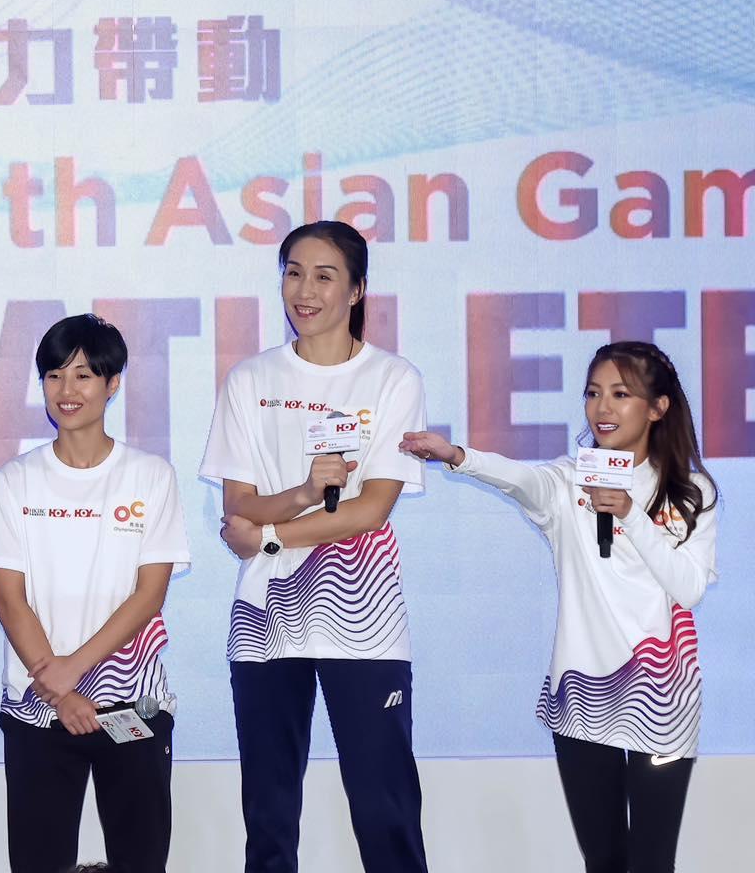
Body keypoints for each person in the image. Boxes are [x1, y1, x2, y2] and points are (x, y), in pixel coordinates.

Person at [400, 341, 718, 873]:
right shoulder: (569, 480)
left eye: (620, 394)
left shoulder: (691, 491)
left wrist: (632, 514)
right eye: (593, 394)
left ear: (658, 407)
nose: (602, 408)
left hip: (663, 700)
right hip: (582, 698)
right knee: (604, 858)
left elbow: (688, 589)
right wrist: (457, 456)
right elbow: (520, 477)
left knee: (652, 861)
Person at [203, 220, 429, 873]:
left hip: (364, 620)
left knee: (385, 809)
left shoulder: (392, 379)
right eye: (294, 274)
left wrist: (270, 535)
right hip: (265, 621)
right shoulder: (250, 380)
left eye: (324, 276)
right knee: (269, 816)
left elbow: (371, 508)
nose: (305, 291)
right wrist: (303, 492)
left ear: (356, 290)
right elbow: (237, 508)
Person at [0, 313, 190, 873]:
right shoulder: (14, 480)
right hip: (38, 711)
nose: (66, 390)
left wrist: (73, 670)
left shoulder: (150, 476)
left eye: (83, 376)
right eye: (54, 375)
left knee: (141, 862)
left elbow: (149, 595)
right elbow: (9, 600)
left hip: (133, 705)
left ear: (112, 383)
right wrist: (60, 691)